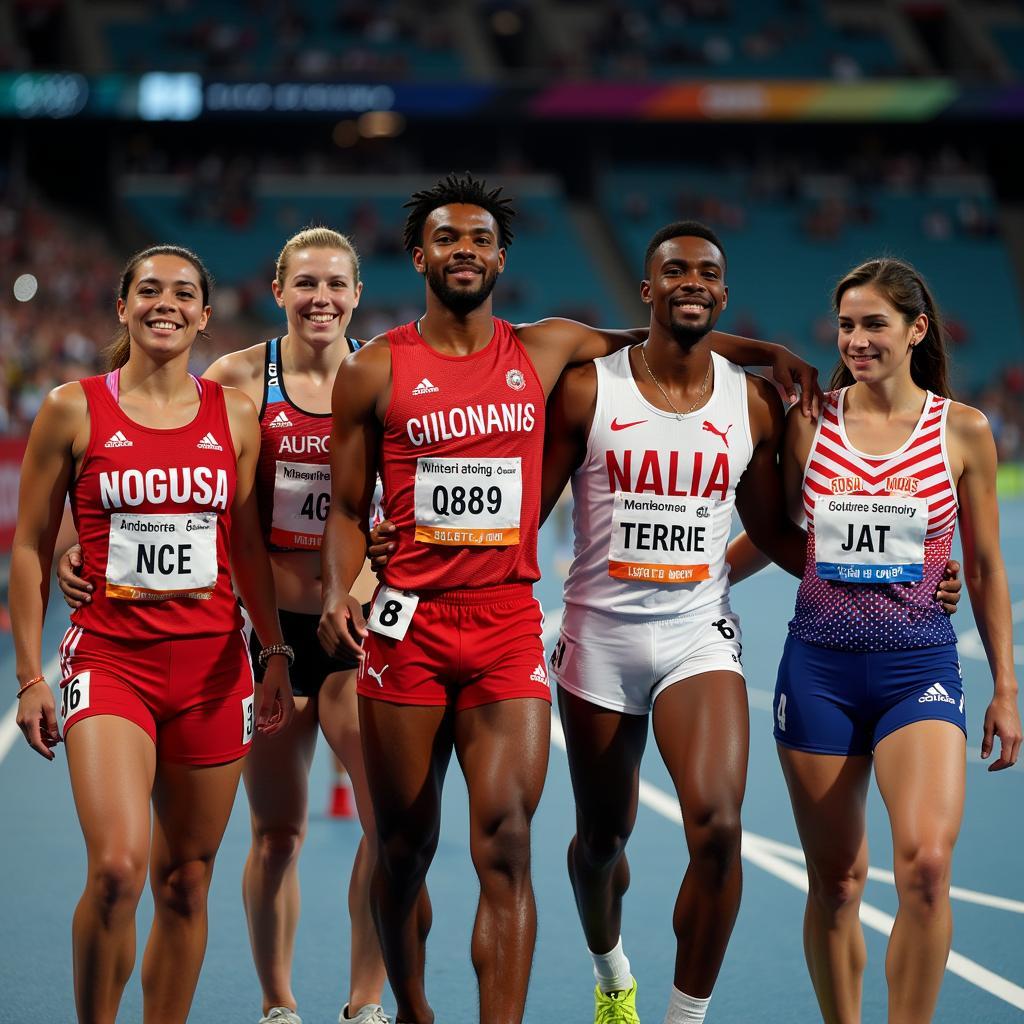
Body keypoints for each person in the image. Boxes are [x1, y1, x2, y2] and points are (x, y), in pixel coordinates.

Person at [316, 172, 820, 1024]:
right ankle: (411, 1007)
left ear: (501, 258)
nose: (465, 251)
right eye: (448, 239)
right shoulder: (372, 370)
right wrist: (341, 586)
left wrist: (763, 353)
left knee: (508, 841)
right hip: (410, 626)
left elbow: (660, 333)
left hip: (508, 626)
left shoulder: (547, 347)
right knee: (401, 850)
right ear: (419, 256)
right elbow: (344, 506)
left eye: (479, 240)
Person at [56, 227, 389, 1024]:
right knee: (276, 834)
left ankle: (367, 1001)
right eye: (305, 282)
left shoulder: (383, 375)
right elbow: (160, 461)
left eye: (336, 284)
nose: (321, 298)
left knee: (391, 827)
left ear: (356, 295)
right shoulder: (239, 379)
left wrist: (387, 559)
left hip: (353, 631)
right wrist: (77, 547)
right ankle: (278, 1002)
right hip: (262, 632)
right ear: (277, 290)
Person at [731, 257, 1020, 1023]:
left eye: (875, 324)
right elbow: (776, 535)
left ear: (917, 329)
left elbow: (986, 569)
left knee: (925, 868)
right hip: (818, 672)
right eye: (847, 325)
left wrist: (1007, 689)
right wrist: (699, 579)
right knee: (836, 884)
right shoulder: (810, 421)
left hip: (917, 669)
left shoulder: (962, 430)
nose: (856, 340)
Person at [11, 245, 294, 1024]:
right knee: (116, 869)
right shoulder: (74, 406)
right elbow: (33, 545)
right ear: (123, 307)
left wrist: (273, 653)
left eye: (182, 294)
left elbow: (244, 543)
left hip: (211, 673)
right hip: (111, 664)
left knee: (186, 880)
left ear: (205, 315)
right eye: (148, 290)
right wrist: (30, 678)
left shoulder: (233, 414)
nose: (164, 303)